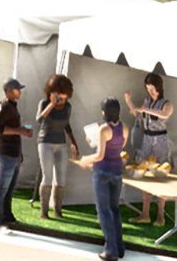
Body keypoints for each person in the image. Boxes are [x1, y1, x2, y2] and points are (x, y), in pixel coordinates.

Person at [76, 97, 128, 261]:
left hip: (103, 172)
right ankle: (119, 248)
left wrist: (85, 159)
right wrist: (94, 141)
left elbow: (99, 155)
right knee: (114, 209)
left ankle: (110, 251)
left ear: (104, 112)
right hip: (117, 171)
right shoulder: (124, 127)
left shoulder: (103, 129)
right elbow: (118, 147)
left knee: (103, 210)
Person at [123, 72, 174, 224]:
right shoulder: (147, 101)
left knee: (160, 175)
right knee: (144, 172)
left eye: (153, 88)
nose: (151, 91)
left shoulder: (166, 103)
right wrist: (129, 102)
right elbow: (138, 115)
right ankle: (145, 214)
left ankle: (161, 215)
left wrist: (145, 110)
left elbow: (163, 115)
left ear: (159, 87)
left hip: (160, 140)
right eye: (148, 88)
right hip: (147, 138)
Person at [34, 73, 81, 220]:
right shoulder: (44, 103)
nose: (62, 100)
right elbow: (39, 120)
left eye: (64, 97)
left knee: (61, 178)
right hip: (45, 142)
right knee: (47, 177)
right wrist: (52, 104)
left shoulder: (68, 107)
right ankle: (43, 211)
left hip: (61, 143)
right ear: (52, 93)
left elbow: (66, 124)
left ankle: (58, 210)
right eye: (59, 97)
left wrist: (73, 141)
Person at [0, 78, 32, 232]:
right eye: (16, 89)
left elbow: (13, 127)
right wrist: (20, 131)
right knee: (2, 187)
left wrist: (24, 130)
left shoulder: (12, 106)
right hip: (7, 152)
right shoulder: (5, 106)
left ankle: (7, 216)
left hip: (13, 153)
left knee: (9, 188)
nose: (19, 92)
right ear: (8, 91)